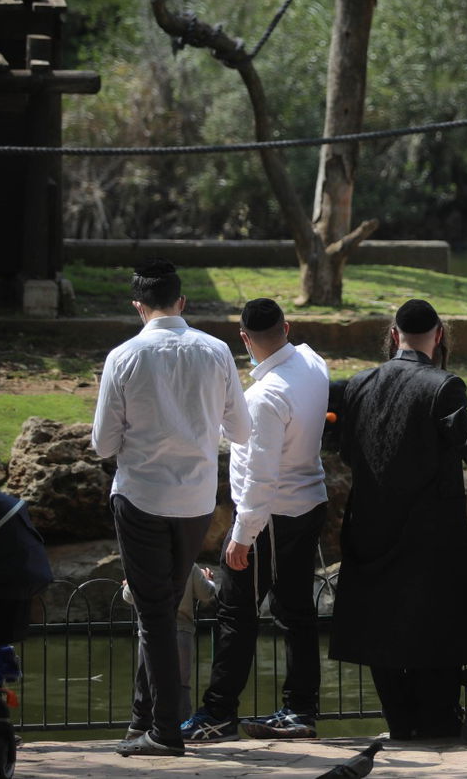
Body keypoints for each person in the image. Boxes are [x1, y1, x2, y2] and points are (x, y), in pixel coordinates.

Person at [330, 299, 467, 740]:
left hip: (371, 524)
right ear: (439, 335)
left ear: (394, 336)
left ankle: (399, 722)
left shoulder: (357, 384)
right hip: (431, 530)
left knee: (380, 623)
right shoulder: (441, 386)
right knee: (439, 621)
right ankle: (435, 721)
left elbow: (344, 448)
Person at [92, 259, 250, 757]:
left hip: (141, 495)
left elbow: (102, 444)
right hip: (196, 500)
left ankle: (163, 730)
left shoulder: (124, 356)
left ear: (139, 306)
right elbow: (242, 430)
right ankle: (146, 719)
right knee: (158, 611)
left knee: (154, 613)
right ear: (181, 302)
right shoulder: (216, 350)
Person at [182, 299, 332, 743]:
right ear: (287, 326)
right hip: (309, 502)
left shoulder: (263, 397)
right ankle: (301, 710)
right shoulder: (312, 360)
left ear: (243, 339)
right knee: (297, 614)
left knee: (236, 614)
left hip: (269, 518)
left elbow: (258, 477)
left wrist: (242, 537)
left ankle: (218, 713)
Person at [122, 565, 217, 723]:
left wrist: (127, 585)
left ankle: (146, 727)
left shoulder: (144, 563)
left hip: (150, 633)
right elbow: (206, 593)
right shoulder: (188, 564)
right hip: (181, 631)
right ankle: (181, 728)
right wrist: (209, 580)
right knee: (181, 686)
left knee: (147, 684)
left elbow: (129, 596)